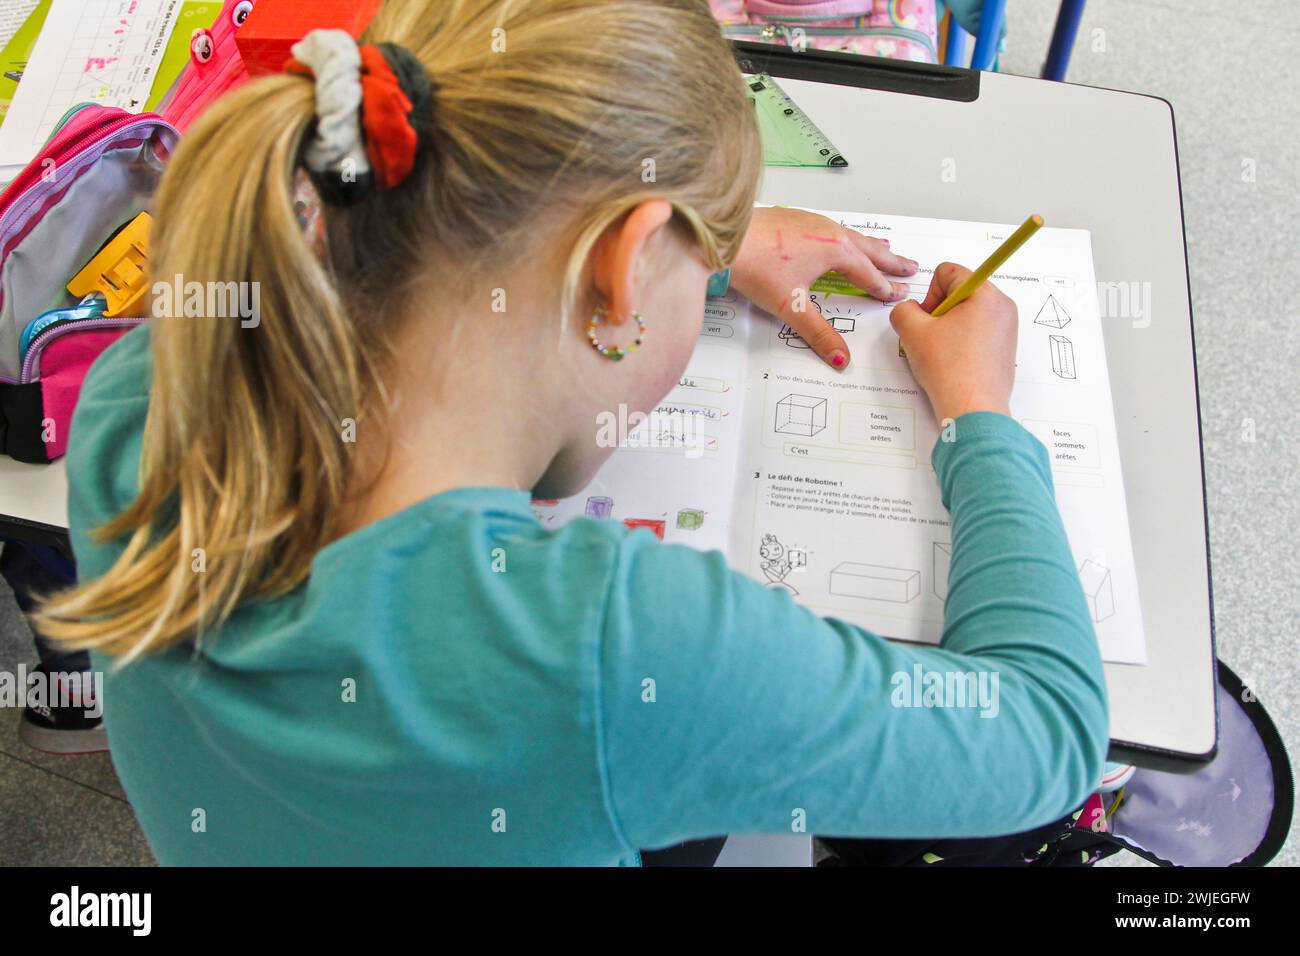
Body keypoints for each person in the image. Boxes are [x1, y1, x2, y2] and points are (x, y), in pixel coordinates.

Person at [37, 0, 1107, 865]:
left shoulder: (143, 389)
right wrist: (980, 415)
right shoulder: (610, 644)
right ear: (623, 266)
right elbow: (1047, 731)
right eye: (690, 269)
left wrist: (700, 259)